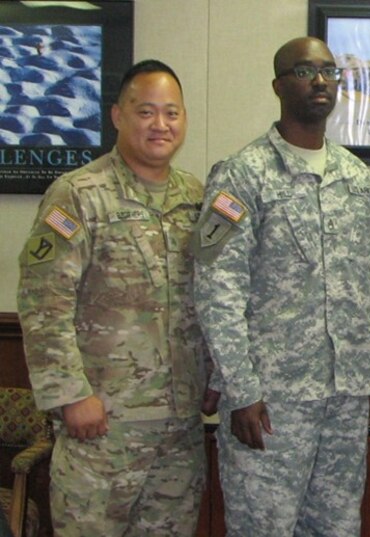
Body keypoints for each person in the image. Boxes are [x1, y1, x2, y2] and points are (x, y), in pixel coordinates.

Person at [192, 36, 370, 536]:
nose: (321, 82)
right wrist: (241, 390)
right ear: (279, 86)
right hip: (271, 402)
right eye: (305, 72)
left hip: (345, 397)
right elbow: (216, 286)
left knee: (337, 527)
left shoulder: (355, 176)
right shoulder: (240, 176)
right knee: (264, 527)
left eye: (330, 72)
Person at [16, 60, 208, 536]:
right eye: (146, 112)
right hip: (102, 427)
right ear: (118, 116)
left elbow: (215, 296)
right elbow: (44, 299)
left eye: (172, 113)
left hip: (179, 430)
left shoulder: (197, 197)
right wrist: (70, 394)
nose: (160, 125)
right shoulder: (78, 195)